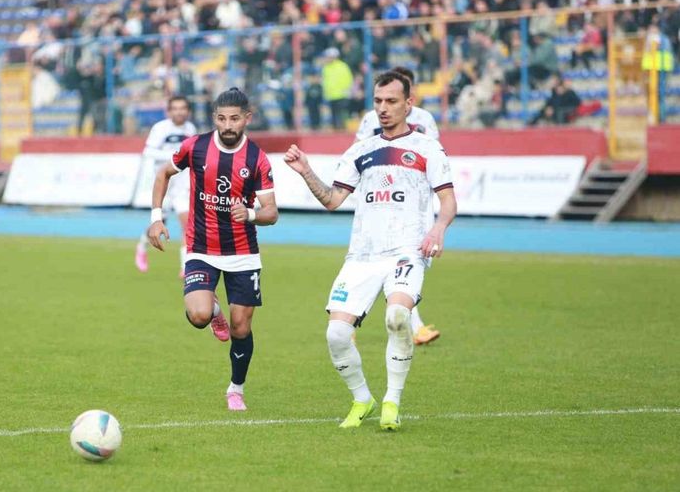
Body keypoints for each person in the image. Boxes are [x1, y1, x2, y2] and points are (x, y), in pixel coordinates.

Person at [284, 71, 456, 430]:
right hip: (362, 255)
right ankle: (362, 398)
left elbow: (448, 199)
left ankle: (392, 401)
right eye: (378, 101)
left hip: (407, 250)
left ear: (409, 104)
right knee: (336, 335)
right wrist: (305, 171)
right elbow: (332, 200)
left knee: (396, 316)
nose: (383, 108)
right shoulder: (361, 150)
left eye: (391, 101)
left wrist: (438, 228)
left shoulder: (427, 148)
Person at [147, 88, 278, 412]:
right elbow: (163, 173)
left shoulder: (257, 159)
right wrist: (156, 218)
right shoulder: (196, 147)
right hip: (201, 248)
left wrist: (248, 214)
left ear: (247, 118)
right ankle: (214, 313)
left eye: (234, 118)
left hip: (243, 253)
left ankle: (236, 388)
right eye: (221, 118)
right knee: (199, 315)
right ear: (214, 118)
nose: (228, 125)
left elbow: (271, 212)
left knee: (242, 328)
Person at [353, 68, 443, 346]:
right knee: (389, 264)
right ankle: (351, 320)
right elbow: (357, 152)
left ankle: (407, 324)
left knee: (404, 263)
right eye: (381, 99)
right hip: (379, 203)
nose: (386, 107)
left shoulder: (424, 119)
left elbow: (434, 153)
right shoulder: (371, 120)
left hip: (413, 204)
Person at [135, 96, 198, 276]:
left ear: (188, 111)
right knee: (159, 224)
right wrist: (174, 156)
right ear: (169, 112)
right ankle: (142, 245)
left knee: (187, 224)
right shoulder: (160, 128)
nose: (179, 111)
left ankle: (186, 267)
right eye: (175, 108)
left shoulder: (190, 129)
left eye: (183, 108)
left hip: (183, 184)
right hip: (164, 183)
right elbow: (148, 151)